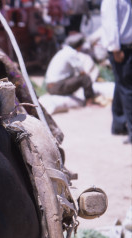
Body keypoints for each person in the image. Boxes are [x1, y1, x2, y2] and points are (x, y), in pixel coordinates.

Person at [101, 0, 132, 144]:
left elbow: (113, 22)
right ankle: (125, 126)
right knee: (126, 88)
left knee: (123, 85)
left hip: (123, 48)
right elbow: (111, 23)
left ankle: (119, 124)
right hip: (120, 49)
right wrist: (115, 48)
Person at [45, 33, 95, 106]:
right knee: (85, 78)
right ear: (79, 46)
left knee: (73, 77)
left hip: (51, 87)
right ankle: (89, 102)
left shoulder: (63, 51)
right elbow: (82, 72)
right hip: (56, 87)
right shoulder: (71, 53)